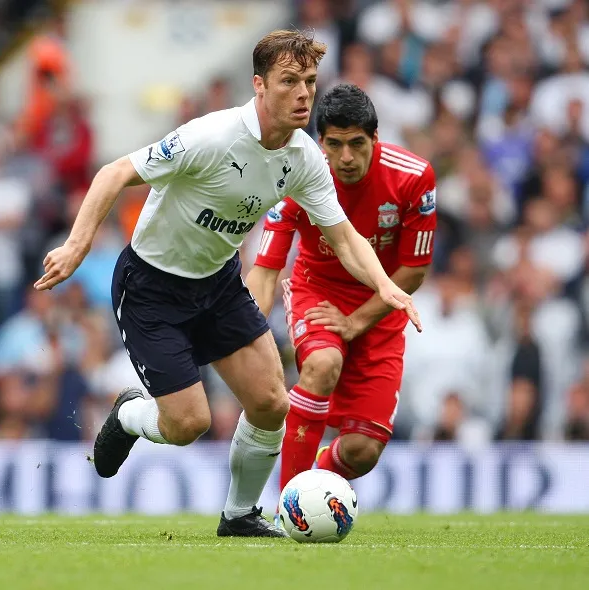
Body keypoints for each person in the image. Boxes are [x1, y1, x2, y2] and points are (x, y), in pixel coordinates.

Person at [34, 31, 421, 538]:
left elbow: (345, 238)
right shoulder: (211, 137)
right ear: (259, 86)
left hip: (216, 285)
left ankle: (239, 515)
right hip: (151, 287)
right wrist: (77, 245)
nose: (304, 94)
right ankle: (129, 414)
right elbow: (113, 173)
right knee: (188, 424)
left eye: (308, 81)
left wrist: (385, 286)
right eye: (290, 82)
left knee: (271, 403)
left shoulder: (304, 158)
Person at [246, 84, 436, 495]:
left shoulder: (414, 178)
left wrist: (356, 322)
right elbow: (265, 271)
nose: (346, 157)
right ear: (320, 143)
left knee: (362, 451)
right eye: (334, 144)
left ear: (375, 140)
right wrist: (247, 336)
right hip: (318, 293)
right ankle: (290, 502)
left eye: (356, 144)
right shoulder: (296, 174)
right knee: (322, 363)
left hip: (379, 310)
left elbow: (415, 270)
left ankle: (314, 472)